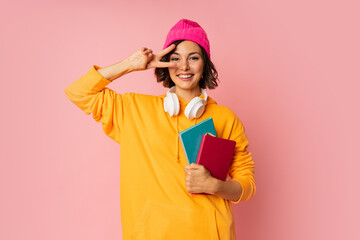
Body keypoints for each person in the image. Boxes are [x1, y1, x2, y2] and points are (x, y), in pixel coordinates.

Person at [65, 18, 255, 240]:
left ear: (205, 64)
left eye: (193, 58)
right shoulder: (134, 110)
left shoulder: (226, 119)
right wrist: (129, 65)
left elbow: (247, 184)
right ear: (165, 63)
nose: (184, 66)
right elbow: (78, 92)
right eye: (175, 58)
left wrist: (214, 186)